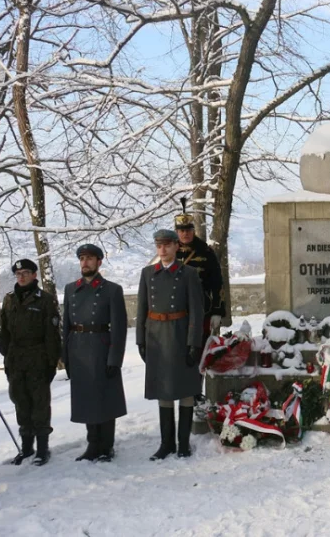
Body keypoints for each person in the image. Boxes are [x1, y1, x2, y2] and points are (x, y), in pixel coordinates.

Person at [137, 229, 205, 460]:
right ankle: (166, 443)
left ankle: (183, 443)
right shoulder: (148, 274)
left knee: (185, 390)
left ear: (176, 246)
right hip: (156, 336)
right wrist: (140, 340)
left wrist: (194, 343)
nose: (163, 249)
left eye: (167, 245)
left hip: (180, 334)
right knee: (163, 391)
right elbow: (142, 309)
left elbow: (197, 311)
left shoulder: (189, 274)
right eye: (159, 245)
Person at [62, 244, 128, 462]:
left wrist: (114, 359)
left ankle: (106, 446)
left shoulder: (112, 289)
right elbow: (66, 325)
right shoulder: (71, 289)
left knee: (105, 397)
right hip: (78, 348)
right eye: (82, 258)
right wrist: (66, 357)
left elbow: (118, 328)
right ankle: (92, 444)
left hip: (101, 346)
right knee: (86, 399)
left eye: (90, 259)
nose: (85, 263)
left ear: (99, 262)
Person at [0, 259, 62, 465]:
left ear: (35, 275)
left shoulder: (45, 299)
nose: (22, 277)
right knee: (21, 403)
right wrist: (6, 356)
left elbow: (52, 335)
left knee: (40, 405)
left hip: (38, 358)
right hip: (16, 359)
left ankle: (42, 449)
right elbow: (5, 331)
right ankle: (26, 448)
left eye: (26, 273)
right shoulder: (9, 300)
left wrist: (51, 362)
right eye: (18, 274)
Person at [175, 198, 226, 342]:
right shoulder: (170, 251)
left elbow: (217, 283)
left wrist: (217, 311)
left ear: (193, 230)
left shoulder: (206, 251)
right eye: (182, 230)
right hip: (176, 310)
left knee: (200, 346)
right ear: (177, 232)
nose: (186, 234)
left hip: (202, 309)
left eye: (189, 230)